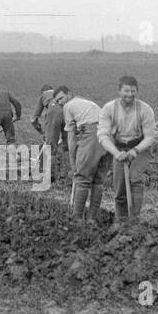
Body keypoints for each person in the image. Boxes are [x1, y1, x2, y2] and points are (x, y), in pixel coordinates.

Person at [97, 75, 158, 221]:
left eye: (133, 91)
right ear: (119, 91)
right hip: (118, 148)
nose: (129, 95)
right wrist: (116, 153)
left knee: (135, 179)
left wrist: (135, 151)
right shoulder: (109, 109)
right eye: (126, 91)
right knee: (119, 188)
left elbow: (150, 137)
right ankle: (121, 221)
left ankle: (134, 220)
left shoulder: (145, 109)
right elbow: (102, 135)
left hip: (140, 147)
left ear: (137, 92)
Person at [54, 86, 108, 221]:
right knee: (98, 180)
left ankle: (76, 219)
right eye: (57, 101)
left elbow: (71, 138)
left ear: (69, 94)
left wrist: (73, 164)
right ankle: (92, 219)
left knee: (82, 178)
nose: (60, 102)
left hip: (94, 134)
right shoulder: (88, 103)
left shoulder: (68, 106)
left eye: (61, 98)